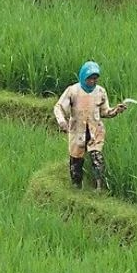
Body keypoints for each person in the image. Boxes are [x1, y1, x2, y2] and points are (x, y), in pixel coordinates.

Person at [53, 61, 126, 191]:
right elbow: (59, 107)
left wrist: (116, 110)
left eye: (95, 79)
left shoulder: (100, 92)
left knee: (97, 158)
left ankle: (99, 187)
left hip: (95, 131)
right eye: (89, 78)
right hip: (77, 131)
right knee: (76, 161)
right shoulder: (73, 91)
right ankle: (76, 187)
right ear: (83, 77)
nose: (92, 81)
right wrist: (62, 121)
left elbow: (104, 112)